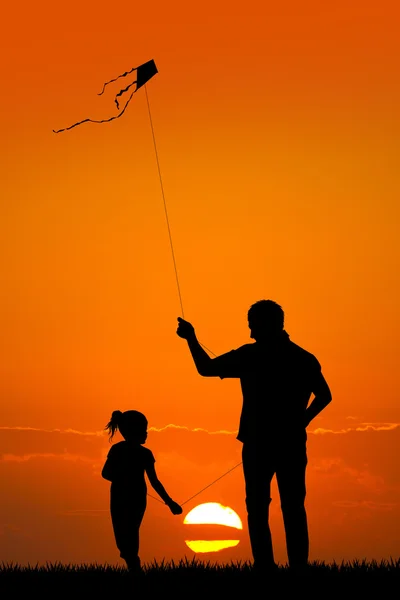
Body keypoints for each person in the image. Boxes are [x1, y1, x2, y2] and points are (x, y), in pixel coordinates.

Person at [176, 299, 332, 573]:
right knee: (292, 506)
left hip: (260, 443)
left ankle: (266, 567)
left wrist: (191, 339)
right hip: (288, 443)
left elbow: (206, 368)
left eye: (253, 324)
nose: (250, 331)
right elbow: (324, 396)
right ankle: (297, 567)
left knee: (259, 506)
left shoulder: (251, 355)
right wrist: (301, 422)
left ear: (268, 324)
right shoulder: (302, 357)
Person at [101, 409, 182, 573]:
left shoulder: (136, 452)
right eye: (144, 430)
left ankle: (134, 565)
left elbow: (154, 482)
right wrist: (170, 503)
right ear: (133, 431)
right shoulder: (133, 452)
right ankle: (133, 564)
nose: (146, 433)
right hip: (126, 497)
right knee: (125, 532)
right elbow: (106, 473)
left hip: (127, 497)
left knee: (128, 531)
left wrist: (170, 502)